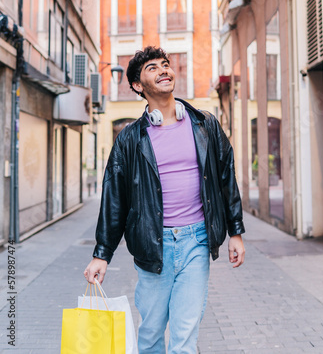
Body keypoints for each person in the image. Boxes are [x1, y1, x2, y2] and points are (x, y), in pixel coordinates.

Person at [84, 46, 245, 354]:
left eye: (166, 64)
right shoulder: (130, 139)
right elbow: (114, 197)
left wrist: (235, 231)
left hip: (196, 241)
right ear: (136, 85)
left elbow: (226, 175)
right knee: (152, 335)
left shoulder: (203, 124)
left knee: (185, 338)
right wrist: (101, 254)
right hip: (152, 246)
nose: (163, 70)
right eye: (152, 68)